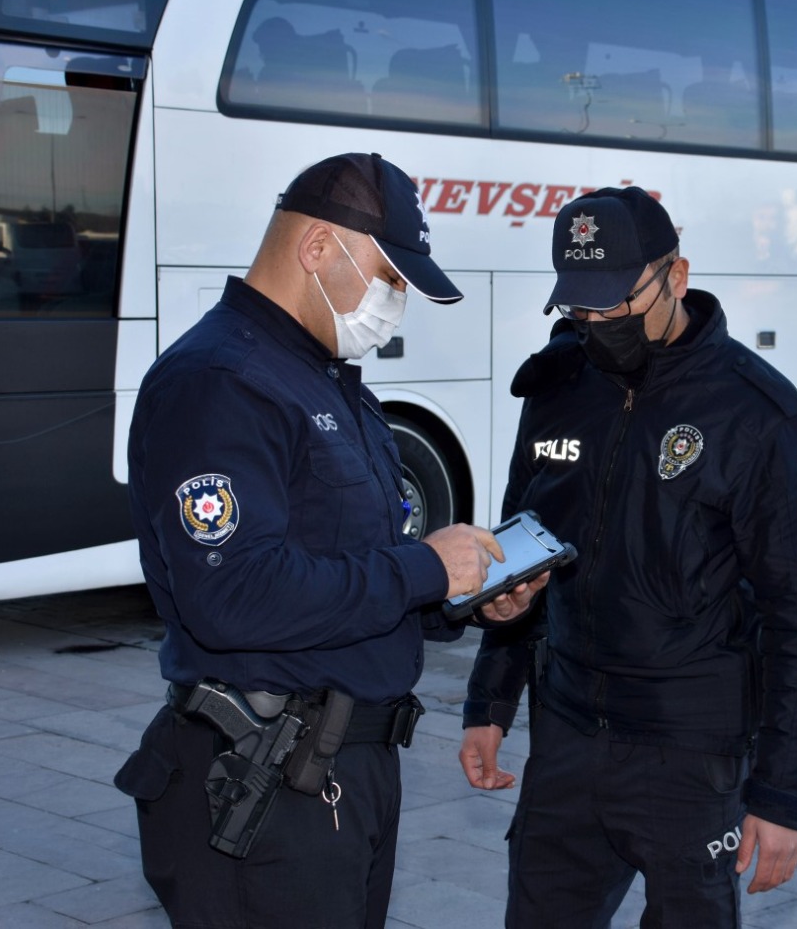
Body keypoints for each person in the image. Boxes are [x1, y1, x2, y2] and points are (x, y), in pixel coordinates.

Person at [114, 152, 543, 929]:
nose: (394, 305)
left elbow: (345, 567)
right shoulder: (220, 382)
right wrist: (423, 568)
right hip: (264, 784)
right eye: (389, 279)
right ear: (317, 247)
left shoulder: (329, 380)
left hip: (342, 774)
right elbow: (233, 594)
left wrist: (463, 597)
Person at [458, 186, 797, 928]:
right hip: (566, 734)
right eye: (581, 308)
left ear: (677, 276)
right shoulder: (558, 387)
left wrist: (784, 795)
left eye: (616, 304)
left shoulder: (758, 412)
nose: (598, 326)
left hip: (690, 753)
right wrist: (490, 703)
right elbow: (522, 552)